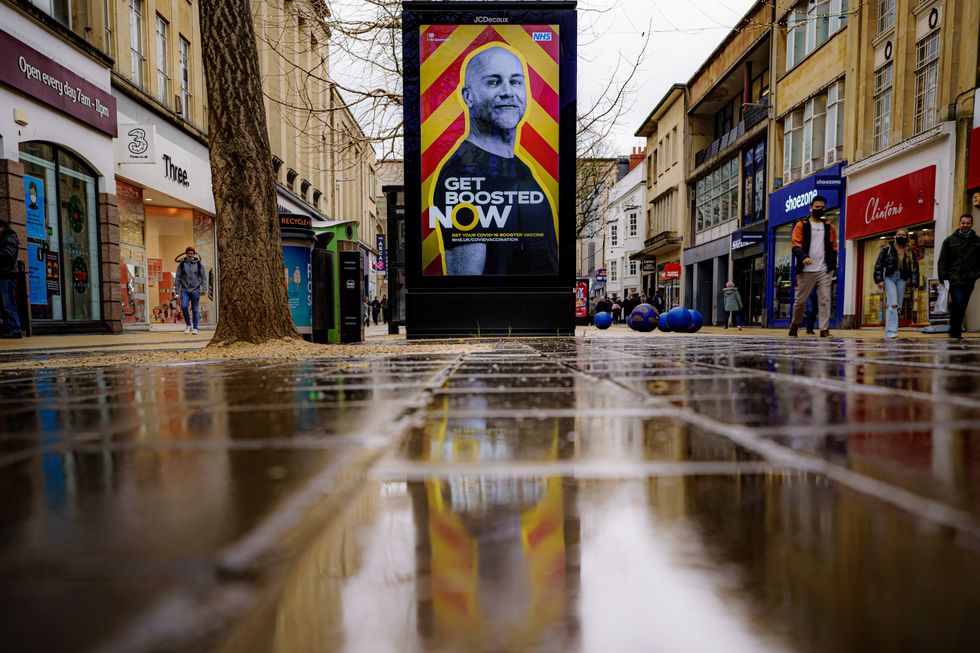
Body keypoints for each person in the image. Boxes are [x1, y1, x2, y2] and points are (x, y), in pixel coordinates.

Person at [431, 46, 557, 276]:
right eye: (493, 82)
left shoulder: (521, 168)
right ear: (468, 96)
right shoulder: (461, 175)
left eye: (516, 82)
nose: (508, 91)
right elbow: (468, 288)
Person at [788, 196, 838, 338]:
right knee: (800, 301)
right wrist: (804, 257)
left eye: (822, 207)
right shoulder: (801, 225)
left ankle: (824, 329)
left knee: (825, 299)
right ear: (811, 208)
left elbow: (834, 246)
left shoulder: (829, 226)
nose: (820, 209)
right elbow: (795, 244)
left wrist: (832, 264)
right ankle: (795, 324)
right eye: (817, 207)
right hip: (806, 271)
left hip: (824, 270)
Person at [938, 214, 980, 341]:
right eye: (963, 223)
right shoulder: (949, 240)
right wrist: (943, 278)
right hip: (954, 279)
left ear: (971, 224)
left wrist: (975, 274)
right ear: (959, 223)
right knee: (958, 301)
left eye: (968, 223)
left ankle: (956, 332)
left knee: (963, 305)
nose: (965, 225)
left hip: (969, 279)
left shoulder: (977, 241)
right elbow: (942, 261)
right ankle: (955, 331)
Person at [874, 227, 920, 339]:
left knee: (897, 306)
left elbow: (914, 268)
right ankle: (891, 333)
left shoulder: (910, 251)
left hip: (902, 279)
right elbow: (879, 264)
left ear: (907, 237)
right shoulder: (888, 248)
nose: (901, 237)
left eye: (903, 235)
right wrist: (879, 280)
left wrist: (915, 283)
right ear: (895, 235)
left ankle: (891, 327)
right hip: (889, 277)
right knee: (893, 304)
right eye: (899, 234)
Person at [174, 246, 206, 335]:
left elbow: (203, 277)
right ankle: (188, 325)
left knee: (195, 310)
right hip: (185, 290)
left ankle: (195, 328)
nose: (190, 255)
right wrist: (176, 289)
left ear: (194, 254)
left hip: (196, 290)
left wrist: (204, 288)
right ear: (186, 254)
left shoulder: (199, 264)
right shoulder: (182, 264)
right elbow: (178, 277)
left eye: (192, 253)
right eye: (188, 253)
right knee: (184, 307)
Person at [0, 218, 21, 339]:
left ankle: (15, 330)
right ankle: (10, 329)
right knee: (6, 304)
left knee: (8, 304)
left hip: (7, 276)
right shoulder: (7, 238)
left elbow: (8, 256)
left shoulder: (8, 238)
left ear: (1, 228)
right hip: (5, 275)